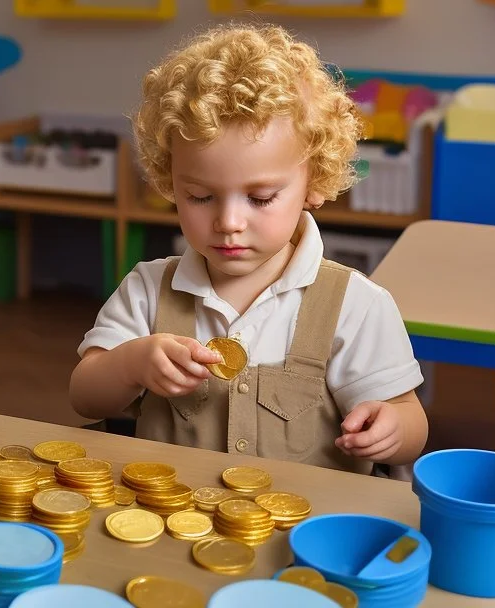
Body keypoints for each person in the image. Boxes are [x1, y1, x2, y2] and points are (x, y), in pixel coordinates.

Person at [69, 24, 428, 474]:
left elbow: (410, 425)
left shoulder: (355, 306)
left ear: (313, 183)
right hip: (171, 523)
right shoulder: (147, 289)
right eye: (200, 196)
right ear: (170, 180)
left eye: (260, 199)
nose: (229, 222)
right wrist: (130, 364)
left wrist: (392, 428)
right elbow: (84, 398)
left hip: (304, 532)